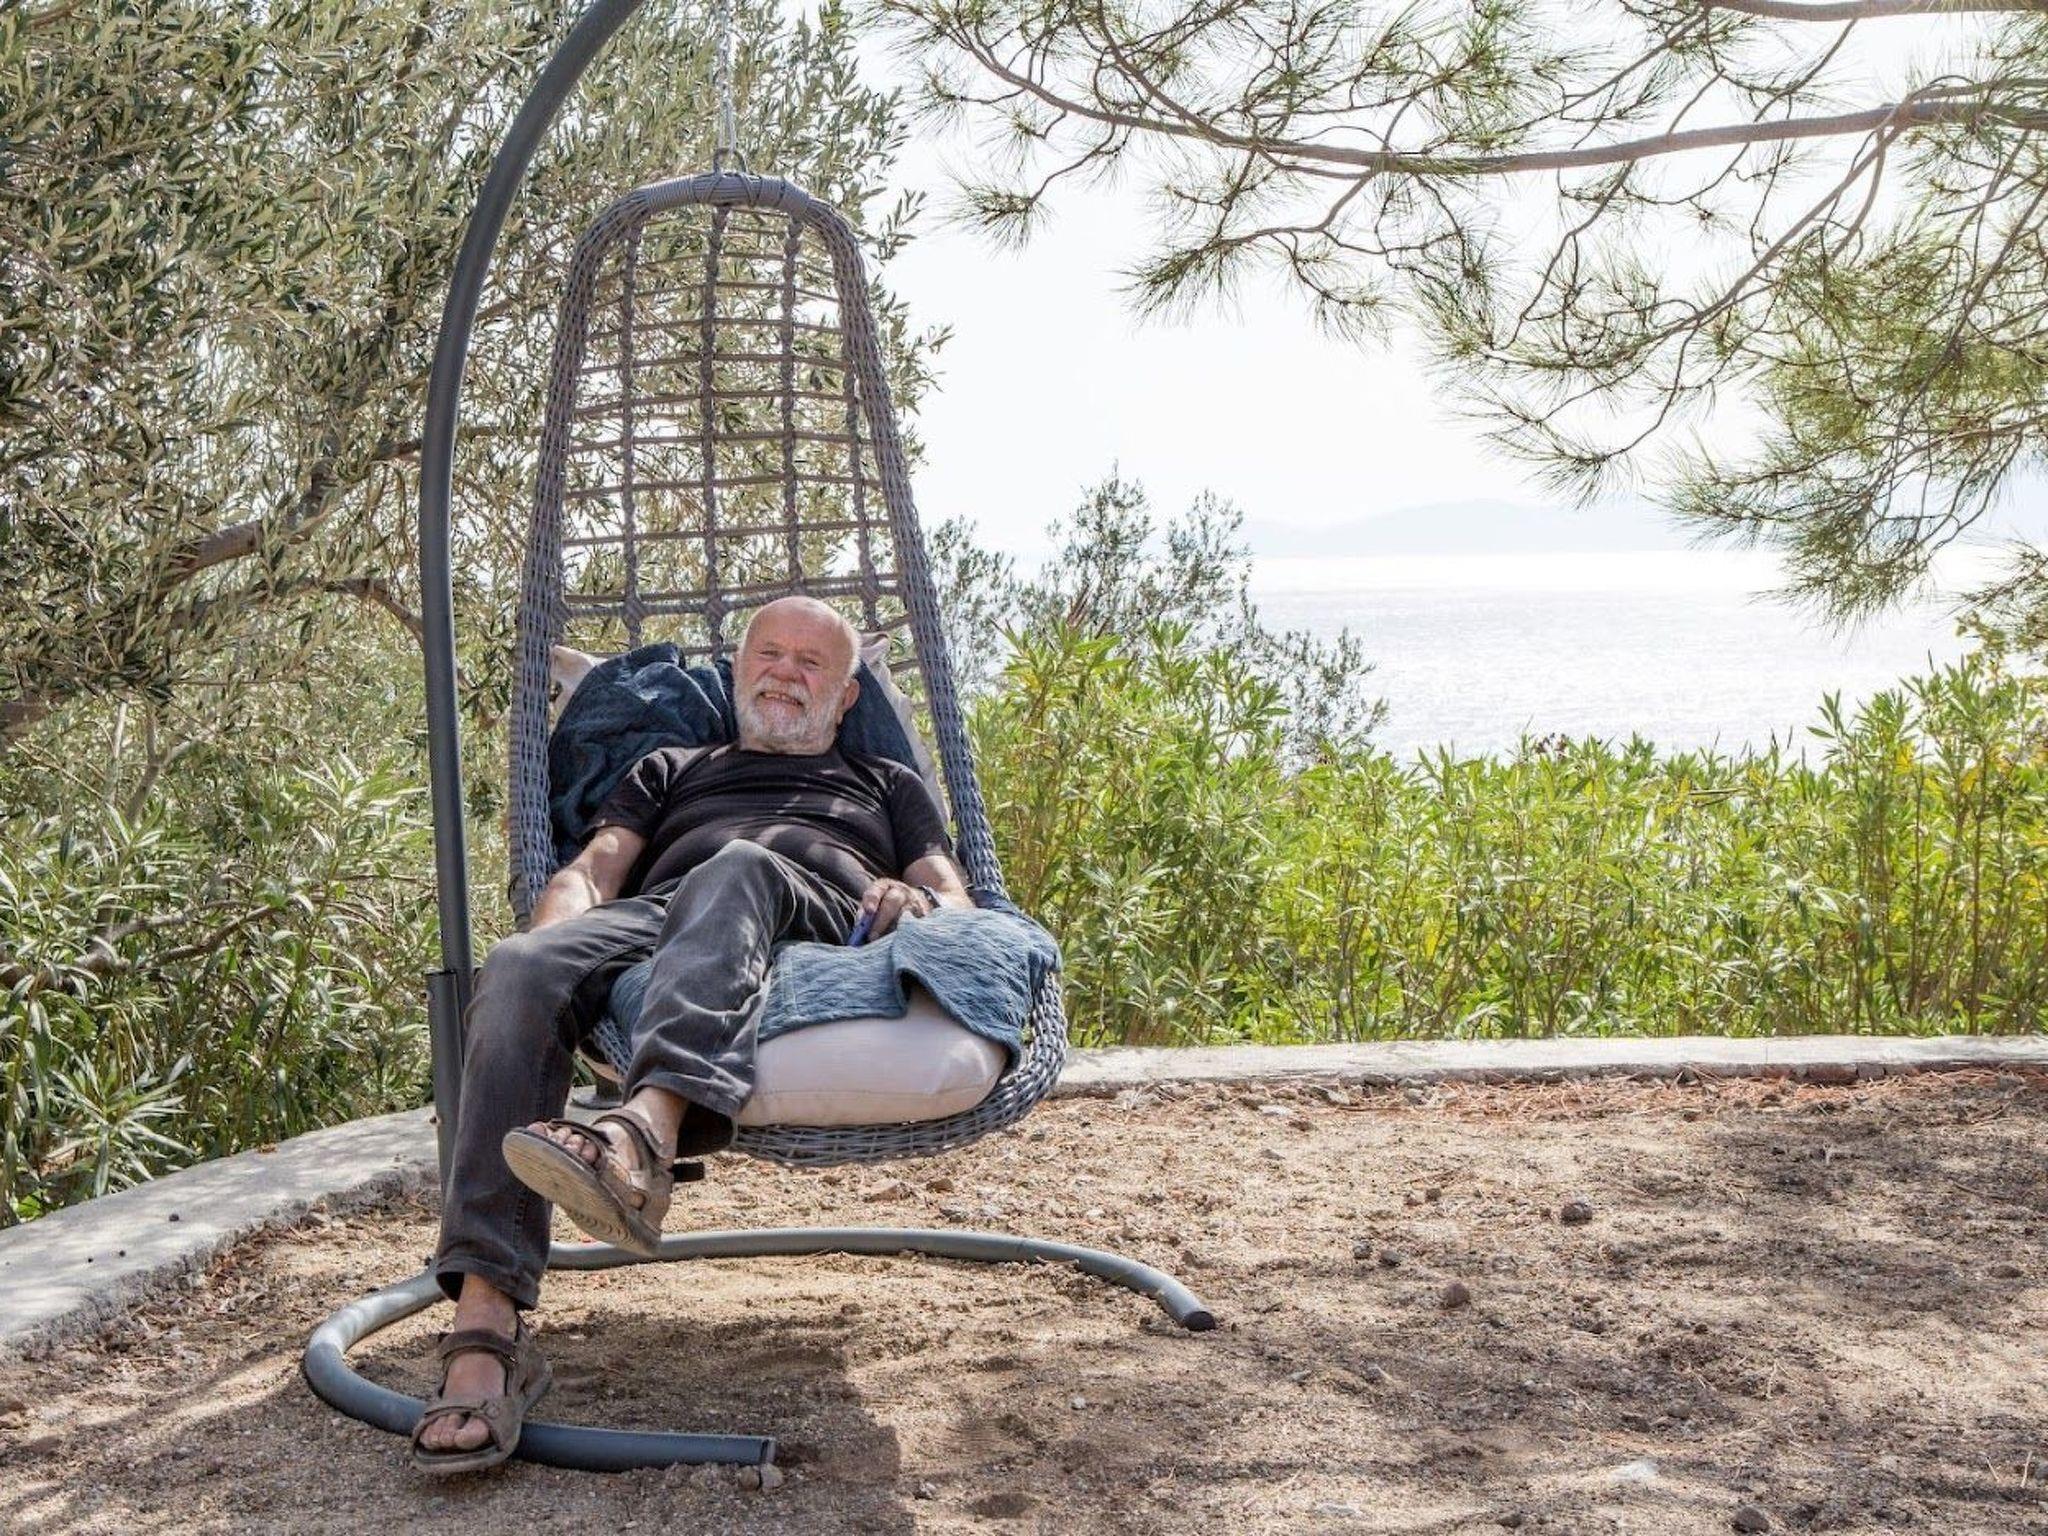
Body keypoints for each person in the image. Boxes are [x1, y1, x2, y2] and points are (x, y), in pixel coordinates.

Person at [410, 595, 969, 1473]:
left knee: (737, 865)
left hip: (812, 914)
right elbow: (595, 871)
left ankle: (646, 1137)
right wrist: (549, 941)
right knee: (517, 967)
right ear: (739, 671)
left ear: (848, 696)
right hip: (664, 916)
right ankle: (486, 1319)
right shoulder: (671, 765)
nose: (785, 673)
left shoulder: (886, 782)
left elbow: (953, 893)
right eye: (769, 654)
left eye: (812, 663)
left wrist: (919, 902)